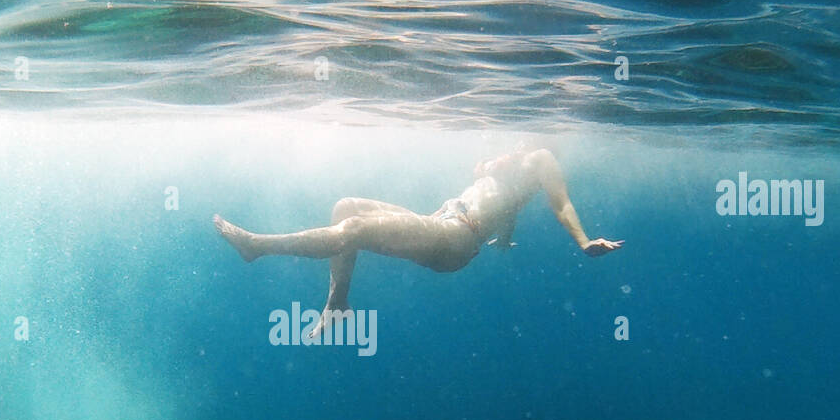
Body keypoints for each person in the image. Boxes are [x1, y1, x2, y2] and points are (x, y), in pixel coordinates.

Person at [213, 147, 623, 337]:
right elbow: (512, 204)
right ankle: (337, 304)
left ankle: (257, 246)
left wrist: (584, 241)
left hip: (456, 238)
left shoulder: (541, 158)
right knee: (345, 207)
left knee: (353, 228)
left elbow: (560, 203)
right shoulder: (514, 156)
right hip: (440, 220)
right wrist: (504, 238)